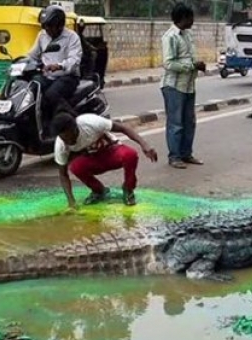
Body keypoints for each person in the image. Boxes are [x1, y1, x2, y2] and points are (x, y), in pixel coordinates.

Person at [50, 105, 158, 208]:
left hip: (111, 152)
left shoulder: (90, 122)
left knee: (130, 155)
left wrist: (145, 145)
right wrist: (71, 202)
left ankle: (128, 189)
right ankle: (98, 191)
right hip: (92, 160)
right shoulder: (61, 145)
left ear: (75, 128)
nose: (68, 141)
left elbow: (123, 128)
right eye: (64, 139)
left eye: (69, 137)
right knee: (75, 167)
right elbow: (63, 174)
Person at [160, 2, 206, 169]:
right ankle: (174, 156)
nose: (193, 20)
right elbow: (168, 64)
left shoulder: (187, 35)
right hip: (173, 86)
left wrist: (196, 64)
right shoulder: (170, 37)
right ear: (183, 18)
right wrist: (193, 66)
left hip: (189, 85)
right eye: (191, 17)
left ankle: (186, 154)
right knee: (176, 123)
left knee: (189, 122)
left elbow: (188, 58)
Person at [27, 5, 82, 129]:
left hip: (67, 76)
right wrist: (22, 62)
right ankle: (33, 125)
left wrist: (59, 66)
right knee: (30, 89)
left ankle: (71, 120)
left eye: (49, 26)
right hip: (47, 75)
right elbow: (33, 55)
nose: (47, 30)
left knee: (51, 95)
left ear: (59, 25)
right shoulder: (42, 35)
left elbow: (74, 61)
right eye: (45, 26)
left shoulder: (72, 37)